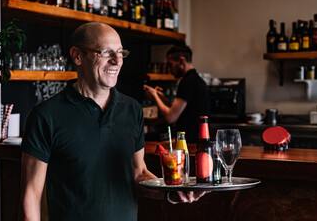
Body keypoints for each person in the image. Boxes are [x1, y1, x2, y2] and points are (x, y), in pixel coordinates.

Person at [19, 22, 207, 221]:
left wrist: (172, 193)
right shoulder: (45, 115)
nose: (117, 61)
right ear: (77, 56)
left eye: (120, 52)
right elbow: (31, 195)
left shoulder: (132, 109)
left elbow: (138, 173)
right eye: (106, 52)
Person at [143, 44, 210, 143]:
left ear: (181, 61)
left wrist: (154, 95)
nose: (169, 70)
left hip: (190, 143)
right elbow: (180, 111)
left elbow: (171, 117)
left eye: (170, 65)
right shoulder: (197, 80)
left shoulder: (187, 82)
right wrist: (163, 99)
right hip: (198, 141)